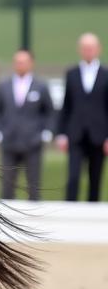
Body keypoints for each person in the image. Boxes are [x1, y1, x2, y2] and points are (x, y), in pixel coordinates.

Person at [0, 49, 54, 201]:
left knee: (33, 183)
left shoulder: (41, 86)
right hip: (9, 140)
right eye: (17, 62)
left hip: (32, 140)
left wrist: (46, 131)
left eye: (23, 62)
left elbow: (50, 111)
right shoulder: (3, 85)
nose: (20, 65)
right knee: (7, 183)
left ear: (31, 63)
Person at [55, 32, 108, 201]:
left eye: (91, 48)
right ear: (80, 50)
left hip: (99, 134)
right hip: (76, 133)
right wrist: (61, 134)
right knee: (73, 177)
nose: (88, 51)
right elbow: (66, 105)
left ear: (98, 49)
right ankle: (69, 212)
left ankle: (92, 218)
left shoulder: (106, 74)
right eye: (85, 48)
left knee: (95, 180)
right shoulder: (72, 74)